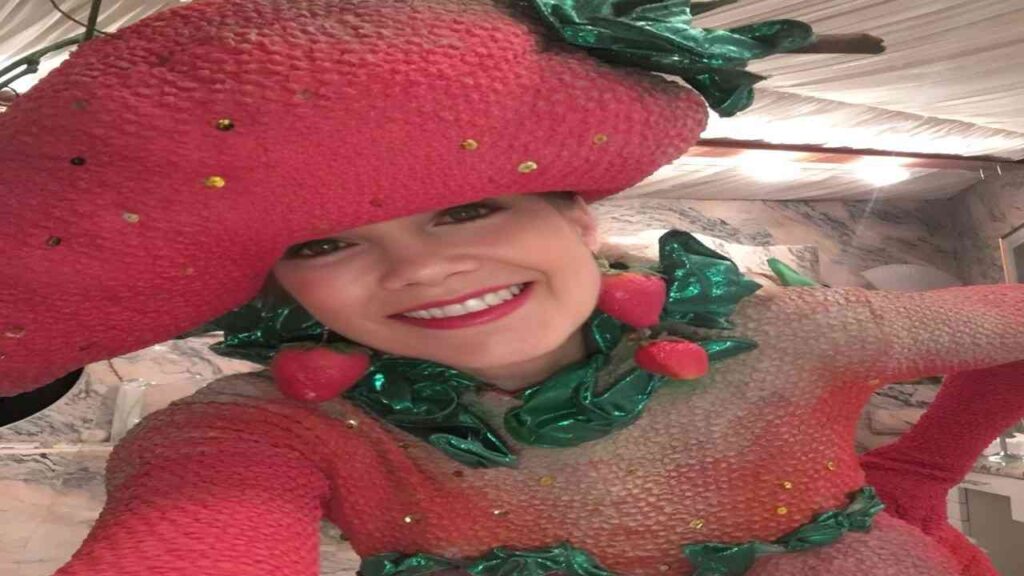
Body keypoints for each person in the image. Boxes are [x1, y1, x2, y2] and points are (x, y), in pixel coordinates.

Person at [1, 1, 1022, 575]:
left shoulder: (782, 332)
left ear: (574, 216)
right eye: (327, 243)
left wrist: (928, 470)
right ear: (284, 285)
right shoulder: (264, 429)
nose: (420, 269)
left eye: (464, 211)